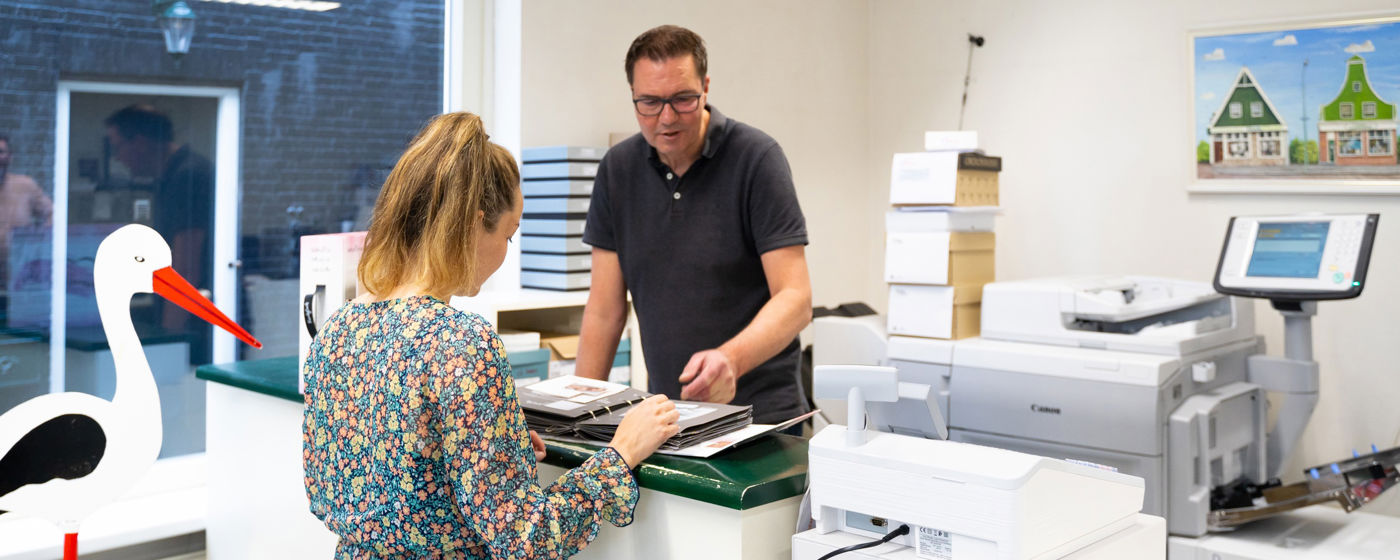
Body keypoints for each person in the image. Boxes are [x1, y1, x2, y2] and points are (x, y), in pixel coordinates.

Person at [301, 112, 681, 559]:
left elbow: (330, 490)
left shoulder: (338, 331)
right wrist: (620, 456)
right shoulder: (461, 344)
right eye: (509, 234)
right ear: (473, 222)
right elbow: (527, 538)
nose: (505, 252)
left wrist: (501, 450)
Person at [574, 25, 813, 425]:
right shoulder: (618, 170)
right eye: (648, 102)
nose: (666, 118)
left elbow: (795, 299)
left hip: (762, 418)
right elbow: (604, 310)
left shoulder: (757, 159)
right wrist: (573, 415)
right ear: (632, 95)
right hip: (671, 417)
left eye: (682, 100)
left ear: (705, 87)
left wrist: (730, 359)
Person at [104, 105, 214, 359]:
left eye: (117, 147)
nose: (117, 158)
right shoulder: (172, 175)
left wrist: (168, 341)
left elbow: (186, 267)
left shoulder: (188, 176)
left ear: (140, 143)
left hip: (196, 325)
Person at [0, 134, 54, 296]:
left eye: (1, 152)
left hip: (19, 272)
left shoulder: (25, 185)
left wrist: (39, 242)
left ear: (10, 157)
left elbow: (53, 215)